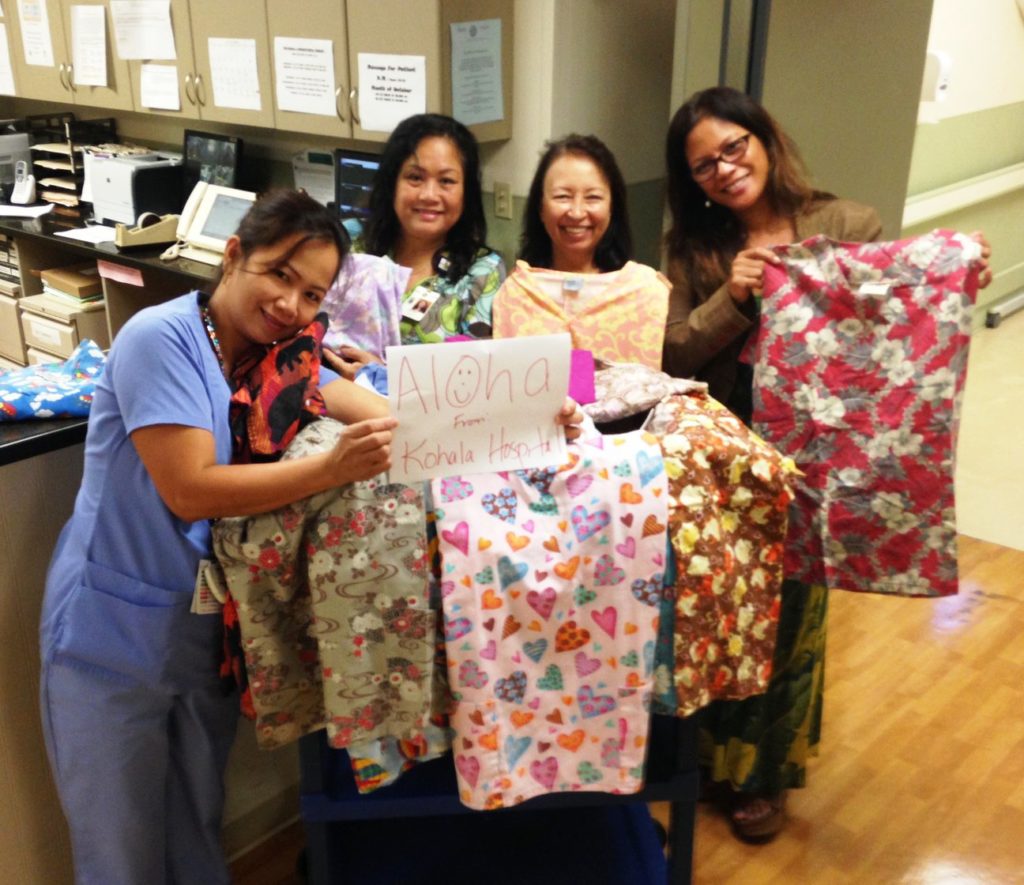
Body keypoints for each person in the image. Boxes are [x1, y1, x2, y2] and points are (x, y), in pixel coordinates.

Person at [38, 188, 582, 883]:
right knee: (118, 849)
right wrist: (329, 469)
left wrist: (536, 418)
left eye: (311, 294)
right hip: (110, 628)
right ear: (234, 256)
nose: (290, 304)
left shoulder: (284, 363)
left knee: (197, 826)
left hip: (201, 635)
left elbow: (408, 420)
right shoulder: (161, 340)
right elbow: (190, 488)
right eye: (280, 275)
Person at [661, 86, 991, 843]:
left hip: (812, 461)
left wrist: (955, 268)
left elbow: (896, 314)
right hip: (723, 454)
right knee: (713, 607)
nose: (723, 169)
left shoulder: (846, 223)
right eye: (703, 164)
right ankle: (700, 755)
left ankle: (764, 773)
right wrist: (734, 297)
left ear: (765, 139)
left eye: (732, 147)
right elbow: (674, 350)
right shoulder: (692, 248)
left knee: (788, 621)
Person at [326, 113, 505, 379]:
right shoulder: (346, 242)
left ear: (466, 191)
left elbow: (475, 379)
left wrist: (384, 375)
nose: (429, 195)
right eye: (415, 177)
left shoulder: (483, 272)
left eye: (446, 181)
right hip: (319, 398)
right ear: (392, 183)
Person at [493, 134, 670, 376]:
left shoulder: (643, 293)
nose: (576, 212)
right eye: (562, 196)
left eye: (593, 197)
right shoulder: (516, 295)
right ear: (540, 208)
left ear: (612, 208)